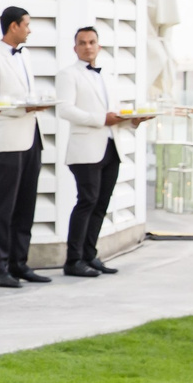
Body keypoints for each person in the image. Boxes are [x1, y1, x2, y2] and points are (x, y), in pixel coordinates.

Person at [0, 6, 50, 287]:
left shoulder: (26, 55)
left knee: (26, 204)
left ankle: (19, 263)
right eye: (27, 25)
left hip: (32, 136)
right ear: (13, 26)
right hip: (8, 140)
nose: (30, 30)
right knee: (4, 206)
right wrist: (24, 107)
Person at [55, 25, 126, 278]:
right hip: (84, 149)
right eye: (82, 43)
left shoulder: (107, 75)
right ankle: (73, 260)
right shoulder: (68, 75)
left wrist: (131, 120)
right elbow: (64, 110)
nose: (87, 46)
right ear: (75, 48)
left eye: (92, 42)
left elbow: (113, 113)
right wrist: (100, 118)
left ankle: (89, 255)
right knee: (87, 201)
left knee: (100, 204)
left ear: (99, 46)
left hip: (110, 146)